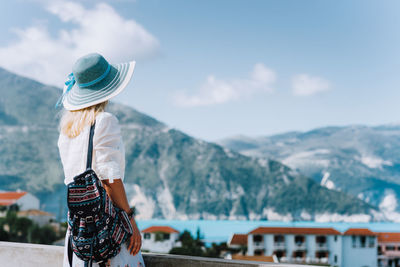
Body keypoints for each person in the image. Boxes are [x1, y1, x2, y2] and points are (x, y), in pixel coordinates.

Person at [56, 53, 145, 267]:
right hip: (106, 230)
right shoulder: (105, 121)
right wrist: (130, 222)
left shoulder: (67, 131)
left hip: (78, 233)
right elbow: (110, 180)